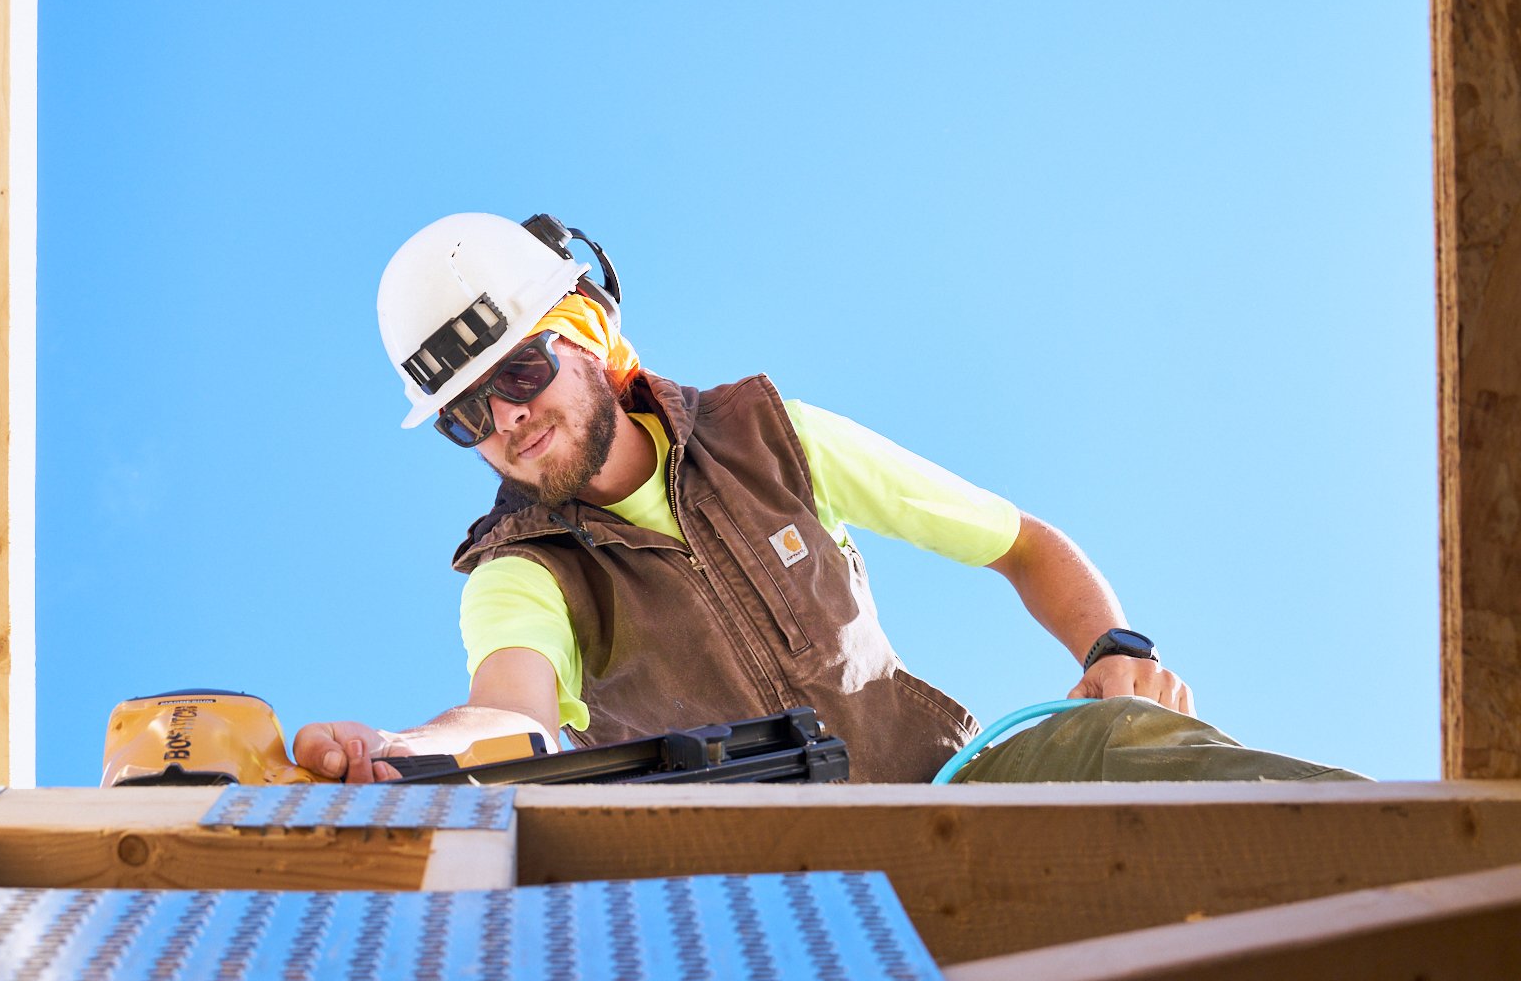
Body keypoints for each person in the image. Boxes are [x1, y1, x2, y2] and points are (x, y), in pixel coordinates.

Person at [294, 212, 1358, 786]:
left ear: (592, 338)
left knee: (1117, 751)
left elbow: (1021, 542)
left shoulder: (774, 441)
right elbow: (506, 715)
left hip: (951, 791)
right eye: (464, 416)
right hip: (748, 890)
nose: (505, 423)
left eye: (519, 374)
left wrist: (1109, 644)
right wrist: (401, 749)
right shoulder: (522, 574)